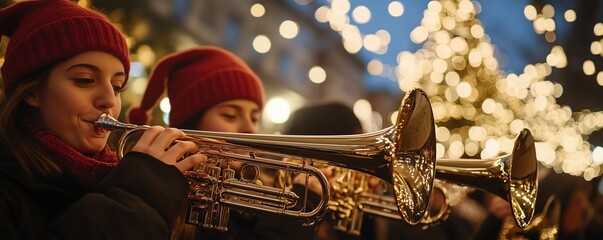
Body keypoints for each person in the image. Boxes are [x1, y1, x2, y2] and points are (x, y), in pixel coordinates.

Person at [0, 0, 206, 239]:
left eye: (117, 86)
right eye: (85, 80)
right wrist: (141, 194)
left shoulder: (112, 175)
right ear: (32, 91)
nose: (109, 100)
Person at [128, 46, 322, 240]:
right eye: (230, 115)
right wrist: (302, 203)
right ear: (191, 125)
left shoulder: (268, 191)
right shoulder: (156, 186)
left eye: (255, 118)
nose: (250, 129)